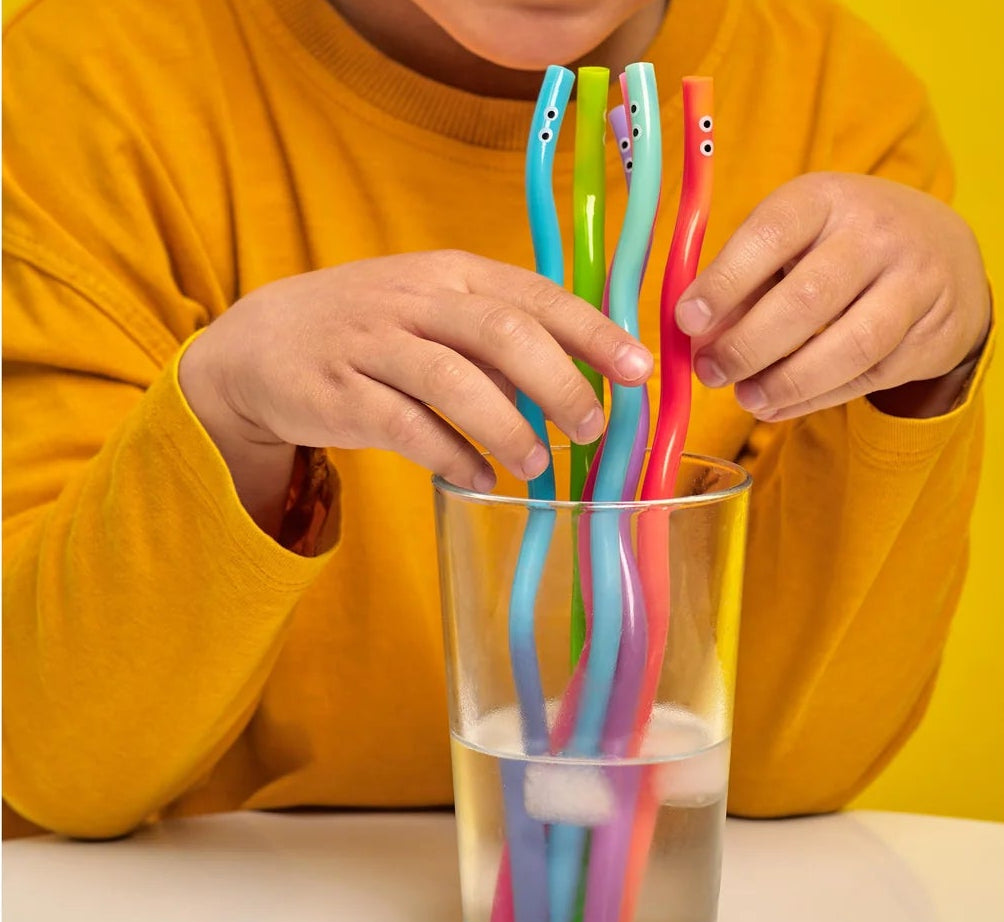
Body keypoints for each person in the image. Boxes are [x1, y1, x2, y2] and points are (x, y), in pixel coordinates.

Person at [2, 0, 992, 840]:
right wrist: (226, 411)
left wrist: (922, 369)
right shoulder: (92, 80)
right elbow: (55, 765)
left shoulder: (840, 107)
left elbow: (784, 769)